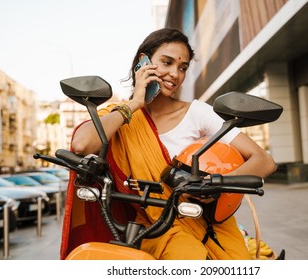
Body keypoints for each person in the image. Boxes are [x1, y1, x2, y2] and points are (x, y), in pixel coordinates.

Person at [60, 28, 277, 260]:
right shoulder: (119, 116)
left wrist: (217, 185)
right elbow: (82, 145)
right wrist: (134, 104)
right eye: (167, 62)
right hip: (152, 227)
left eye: (182, 68)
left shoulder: (197, 113)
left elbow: (264, 161)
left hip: (200, 219)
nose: (175, 73)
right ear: (142, 63)